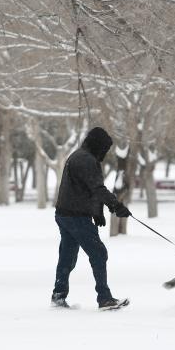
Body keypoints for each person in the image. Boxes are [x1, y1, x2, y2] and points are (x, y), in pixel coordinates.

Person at [52, 127, 131, 310]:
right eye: (105, 148)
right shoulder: (86, 160)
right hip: (76, 216)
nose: (105, 152)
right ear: (98, 145)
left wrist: (97, 212)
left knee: (67, 256)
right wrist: (116, 206)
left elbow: (84, 188)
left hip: (65, 214)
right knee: (99, 253)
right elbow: (97, 188)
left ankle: (58, 296)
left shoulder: (79, 156)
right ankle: (104, 298)